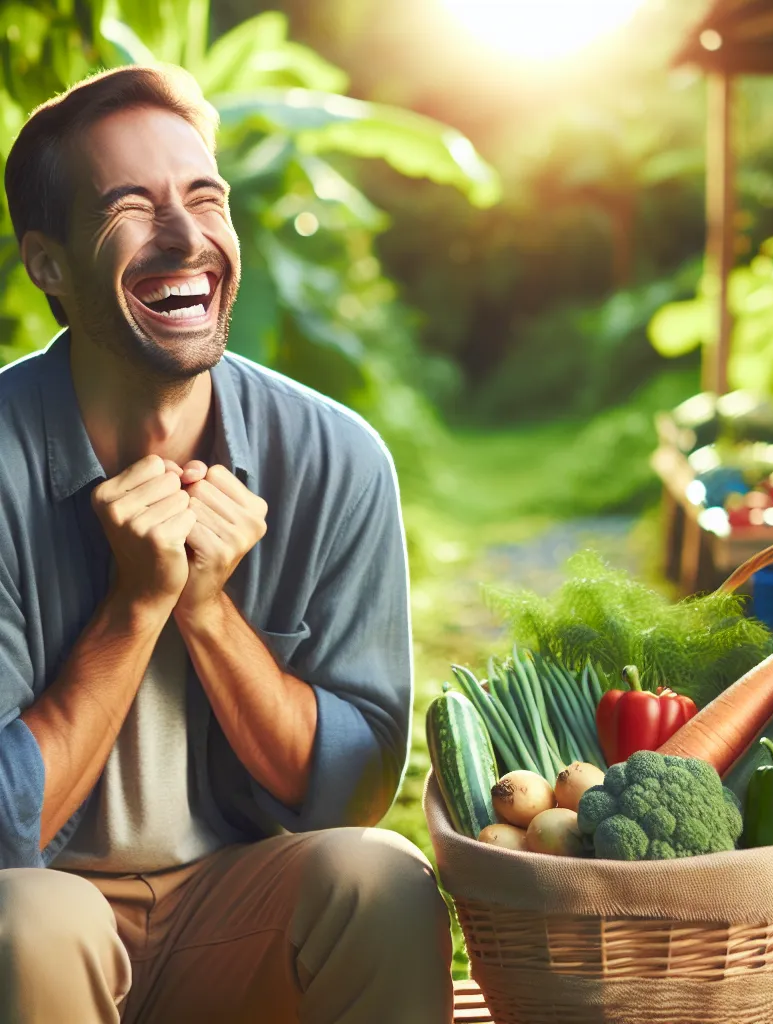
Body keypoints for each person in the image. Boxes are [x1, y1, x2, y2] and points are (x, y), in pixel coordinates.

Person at [0, 62, 453, 1024]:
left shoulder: (338, 459)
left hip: (235, 905)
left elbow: (354, 786)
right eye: (131, 206)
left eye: (204, 198)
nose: (185, 237)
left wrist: (206, 609)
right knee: (29, 922)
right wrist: (135, 605)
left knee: (385, 881)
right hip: (37, 913)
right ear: (48, 264)